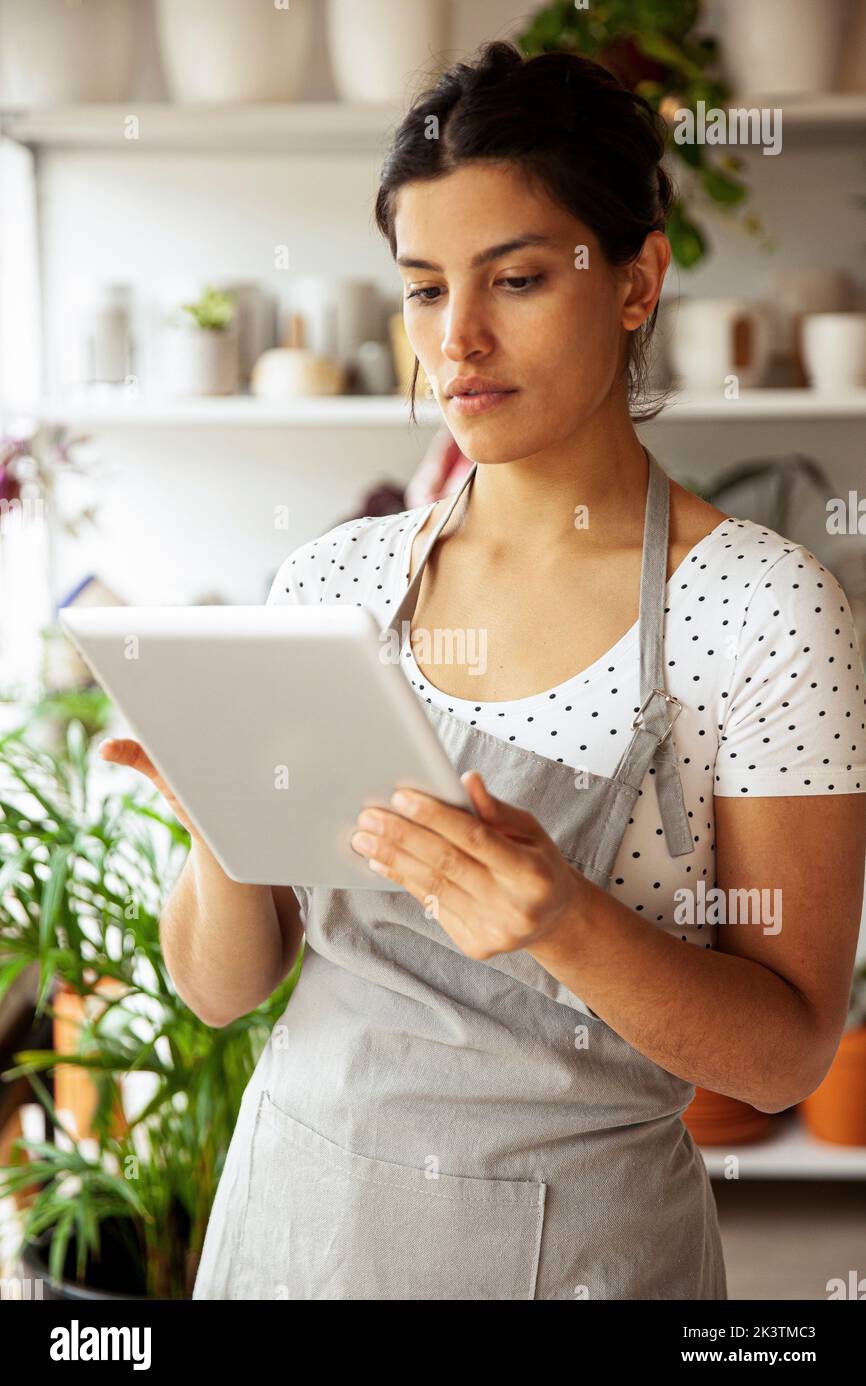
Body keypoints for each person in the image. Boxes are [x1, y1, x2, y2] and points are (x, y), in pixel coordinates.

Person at [104, 41, 866, 1301]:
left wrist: (565, 921)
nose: (455, 338)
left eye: (514, 278)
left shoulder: (763, 611)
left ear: (635, 281)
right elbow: (222, 989)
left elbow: (786, 1053)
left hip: (580, 1252)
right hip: (294, 1219)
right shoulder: (335, 585)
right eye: (419, 290)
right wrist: (215, 832)